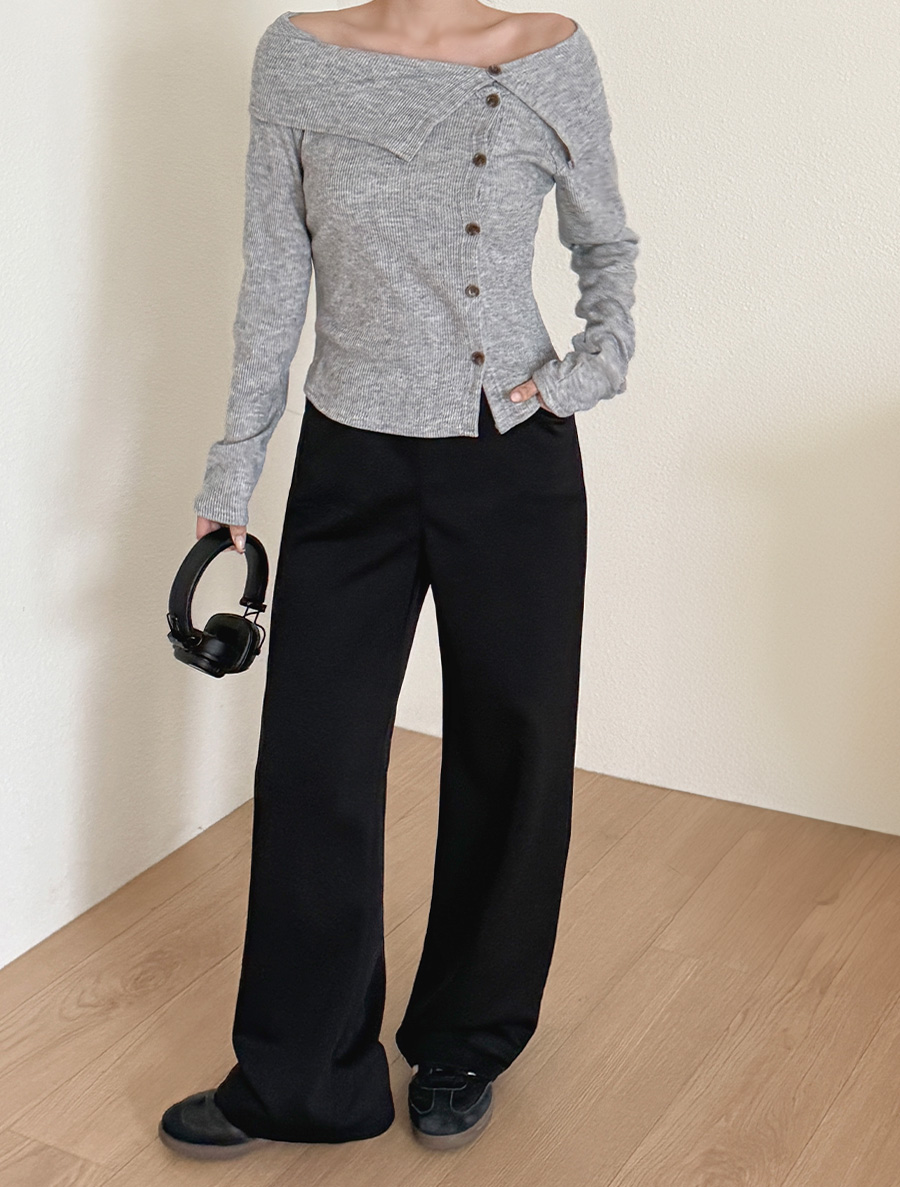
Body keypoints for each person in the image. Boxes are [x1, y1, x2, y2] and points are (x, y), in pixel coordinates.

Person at [159, 0, 638, 1160]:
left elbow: (608, 248)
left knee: (510, 751)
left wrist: (583, 374)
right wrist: (235, 465)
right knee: (314, 761)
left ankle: (466, 1040)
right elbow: (275, 271)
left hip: (511, 453)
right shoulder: (297, 57)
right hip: (351, 456)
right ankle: (301, 1074)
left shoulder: (551, 57)